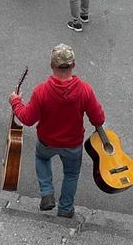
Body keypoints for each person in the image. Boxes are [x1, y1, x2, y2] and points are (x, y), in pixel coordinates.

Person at [8, 44, 105, 219]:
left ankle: (47, 192)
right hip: (72, 144)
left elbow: (27, 118)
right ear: (73, 64)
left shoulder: (41, 91)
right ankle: (65, 209)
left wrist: (15, 102)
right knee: (71, 174)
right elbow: (98, 119)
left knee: (41, 158)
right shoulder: (85, 90)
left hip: (47, 141)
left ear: (52, 65)